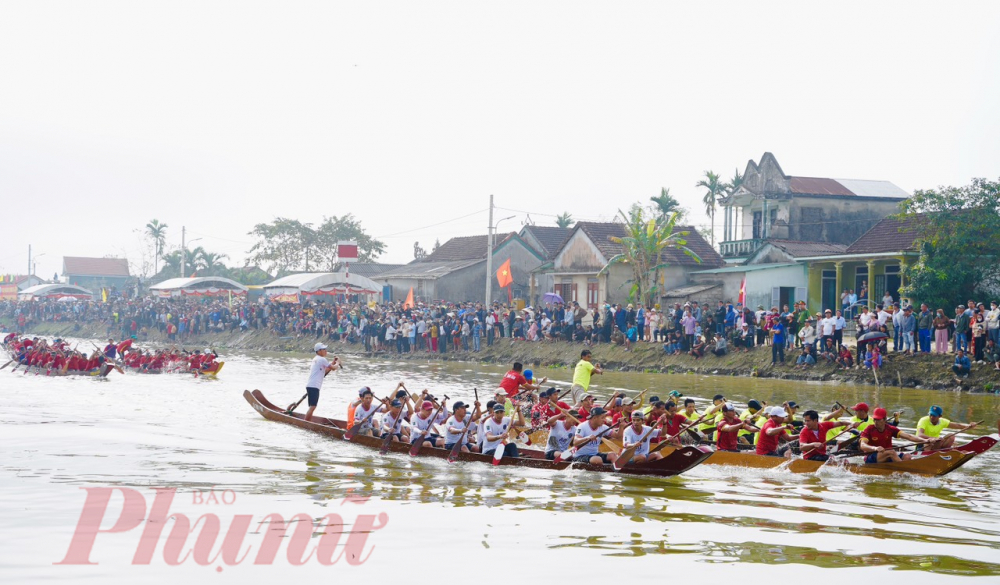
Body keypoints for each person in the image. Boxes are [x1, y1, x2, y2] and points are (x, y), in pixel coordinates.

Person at [860, 407, 928, 463]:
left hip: (888, 454)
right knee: (891, 452)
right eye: (874, 419)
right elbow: (862, 445)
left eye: (878, 420)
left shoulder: (890, 429)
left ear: (885, 419)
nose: (875, 422)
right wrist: (874, 448)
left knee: (908, 456)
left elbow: (909, 437)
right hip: (872, 456)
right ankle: (905, 471)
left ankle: (900, 470)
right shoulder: (869, 429)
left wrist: (925, 440)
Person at [304, 342, 341, 422]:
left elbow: (325, 371)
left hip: (311, 385)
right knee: (313, 406)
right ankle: (306, 423)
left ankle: (307, 421)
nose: (325, 351)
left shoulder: (317, 359)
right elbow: (334, 368)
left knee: (312, 406)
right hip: (314, 386)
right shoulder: (321, 359)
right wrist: (337, 363)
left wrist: (333, 363)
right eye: (323, 349)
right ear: (318, 351)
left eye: (325, 349)